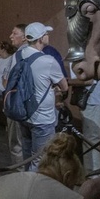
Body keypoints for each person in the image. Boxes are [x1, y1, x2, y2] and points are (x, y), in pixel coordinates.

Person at [16, 22, 68, 171]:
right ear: (40, 39)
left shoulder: (17, 55)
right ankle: (35, 191)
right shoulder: (48, 61)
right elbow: (64, 86)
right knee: (40, 159)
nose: (48, 36)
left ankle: (26, 186)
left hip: (23, 114)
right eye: (46, 34)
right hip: (42, 118)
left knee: (27, 157)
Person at [68, 72, 100, 171]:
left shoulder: (89, 58)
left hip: (93, 102)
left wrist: (66, 81)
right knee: (89, 140)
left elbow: (89, 80)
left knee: (91, 140)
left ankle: (94, 174)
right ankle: (90, 172)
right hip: (89, 102)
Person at [3, 23, 28, 166]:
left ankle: (19, 173)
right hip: (32, 106)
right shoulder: (41, 55)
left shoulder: (17, 56)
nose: (10, 36)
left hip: (16, 104)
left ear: (25, 37)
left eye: (15, 33)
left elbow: (7, 81)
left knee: (16, 143)